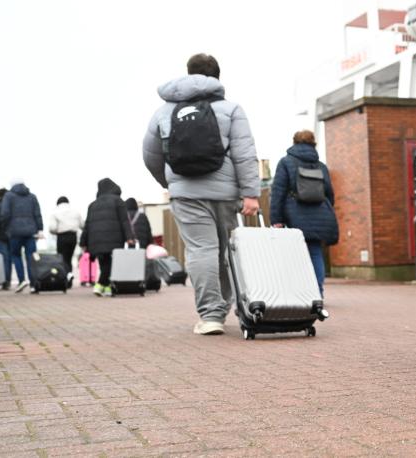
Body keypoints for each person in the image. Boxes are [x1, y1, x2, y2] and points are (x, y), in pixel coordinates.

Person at [143, 53, 260, 336]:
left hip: (186, 194)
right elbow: (245, 154)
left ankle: (210, 316)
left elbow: (150, 155)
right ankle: (234, 306)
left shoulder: (164, 111)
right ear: (217, 77)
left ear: (188, 74)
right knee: (227, 252)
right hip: (225, 193)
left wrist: (170, 183)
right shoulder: (231, 109)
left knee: (201, 251)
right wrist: (250, 193)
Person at [270, 130, 339, 295]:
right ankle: (317, 293)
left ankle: (297, 292)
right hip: (320, 212)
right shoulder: (321, 165)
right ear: (313, 143)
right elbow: (329, 193)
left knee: (293, 254)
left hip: (294, 214)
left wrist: (276, 219)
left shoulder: (285, 162)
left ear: (294, 142)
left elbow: (278, 192)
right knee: (315, 252)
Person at [79, 179, 134, 297]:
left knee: (104, 263)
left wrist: (83, 242)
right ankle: (99, 285)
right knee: (110, 264)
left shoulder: (92, 205)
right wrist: (129, 237)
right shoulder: (118, 201)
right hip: (114, 239)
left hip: (96, 241)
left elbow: (87, 225)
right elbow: (125, 221)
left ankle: (108, 288)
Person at [0, 180, 43, 293]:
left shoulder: (9, 196)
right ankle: (33, 284)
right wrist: (40, 229)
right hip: (30, 231)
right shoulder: (32, 197)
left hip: (14, 232)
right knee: (31, 258)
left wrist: (5, 228)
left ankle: (21, 280)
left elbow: (5, 214)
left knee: (16, 256)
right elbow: (37, 213)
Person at [49, 196, 84, 275]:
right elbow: (82, 225)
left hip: (62, 237)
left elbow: (52, 228)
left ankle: (65, 276)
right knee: (69, 257)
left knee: (62, 258)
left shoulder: (55, 212)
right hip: (73, 236)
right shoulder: (76, 212)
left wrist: (56, 232)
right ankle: (69, 274)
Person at [0, 188, 10, 290]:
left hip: (1, 236)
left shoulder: (0, 205)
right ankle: (8, 281)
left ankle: (4, 281)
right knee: (9, 259)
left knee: (3, 258)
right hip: (12, 235)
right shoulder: (12, 204)